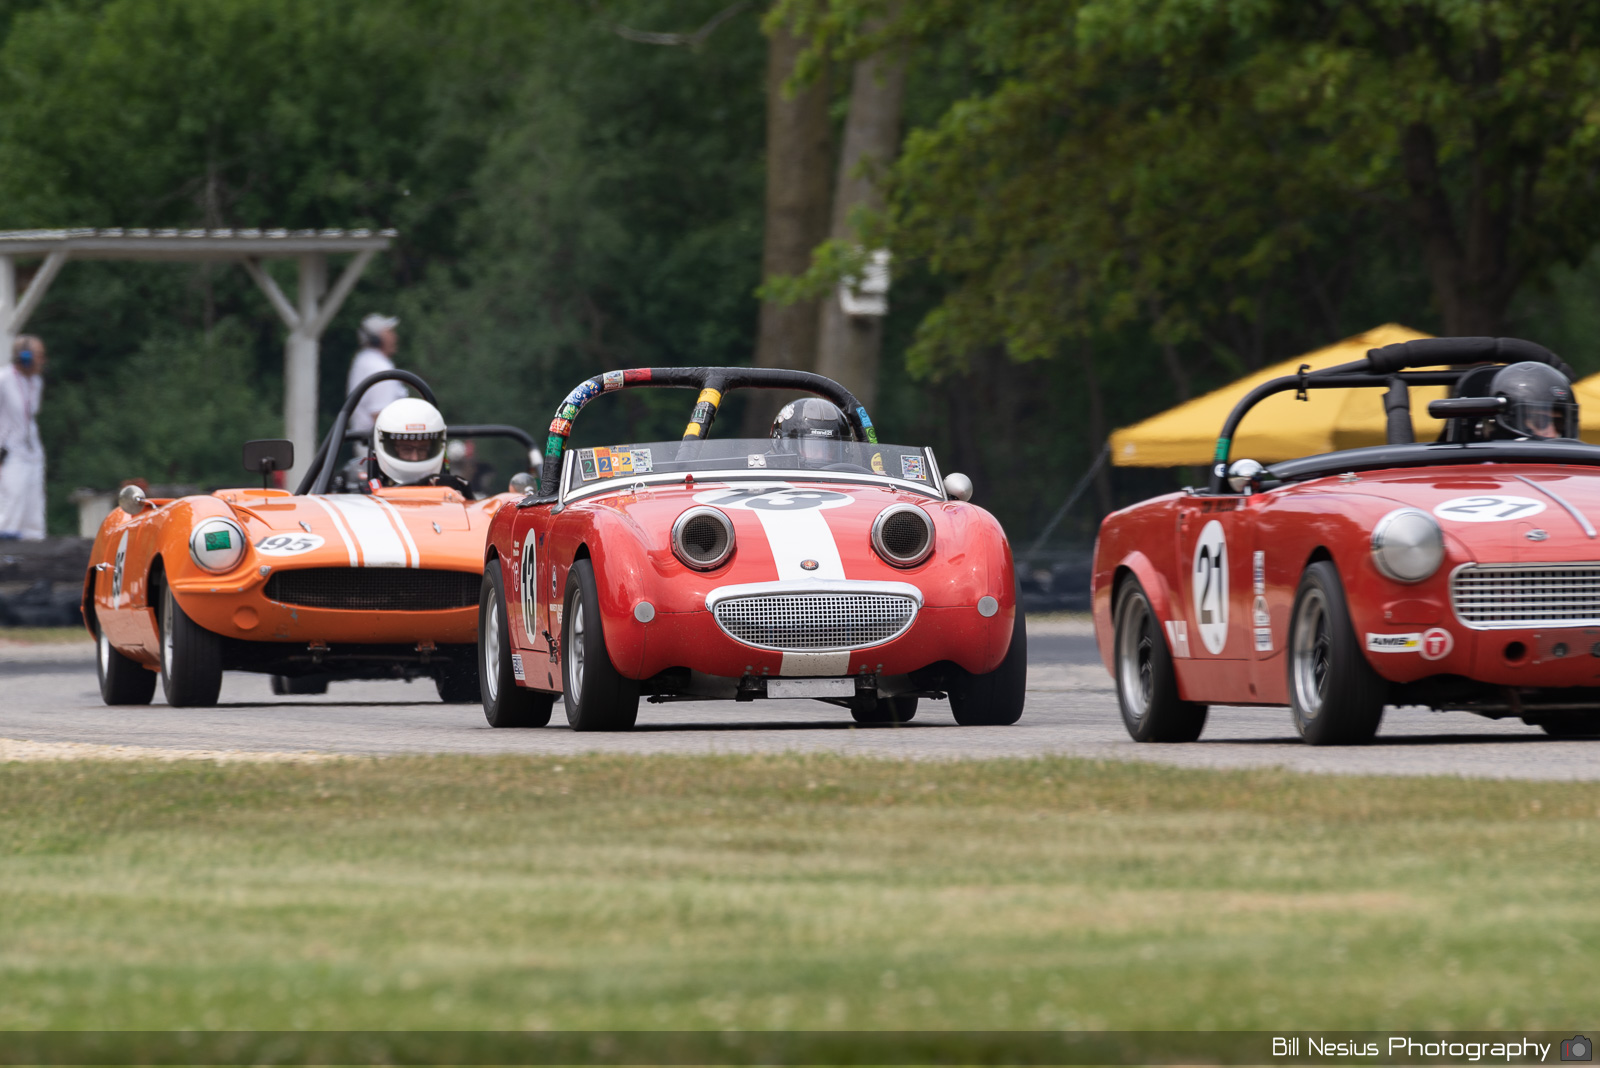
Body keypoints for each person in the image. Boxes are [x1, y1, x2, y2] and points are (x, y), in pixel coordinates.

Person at [368, 398, 472, 496]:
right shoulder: (364, 494)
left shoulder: (454, 489)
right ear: (391, 448)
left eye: (423, 449)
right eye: (406, 449)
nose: (415, 457)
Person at [0, 335, 47, 539]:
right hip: (9, 450)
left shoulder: (35, 381)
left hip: (31, 448)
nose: (42, 361)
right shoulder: (3, 379)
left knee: (34, 502)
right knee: (12, 498)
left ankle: (34, 542)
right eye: (39, 355)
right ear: (24, 357)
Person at [345, 313, 406, 435]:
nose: (395, 337)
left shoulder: (364, 360)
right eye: (389, 332)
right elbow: (380, 415)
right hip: (379, 445)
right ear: (377, 338)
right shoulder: (378, 367)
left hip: (369, 442)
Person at [1489, 361, 1578, 440]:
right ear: (1509, 421)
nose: (1552, 434)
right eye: (1540, 422)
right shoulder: (1481, 457)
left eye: (1559, 424)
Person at [771, 397, 853, 466]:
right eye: (813, 448)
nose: (821, 456)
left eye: (829, 448)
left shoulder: (852, 481)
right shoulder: (767, 482)